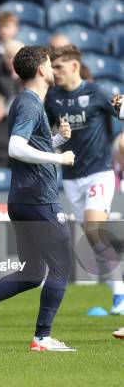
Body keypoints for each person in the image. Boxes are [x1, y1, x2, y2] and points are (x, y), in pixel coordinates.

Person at [0, 46, 77, 352]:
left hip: (24, 196)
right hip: (38, 198)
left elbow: (28, 147)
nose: (53, 69)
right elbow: (16, 148)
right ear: (40, 70)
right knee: (62, 266)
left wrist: (56, 141)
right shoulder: (30, 103)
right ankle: (42, 337)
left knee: (32, 273)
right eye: (49, 64)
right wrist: (58, 158)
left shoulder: (28, 103)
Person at [45, 45, 124, 315]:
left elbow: (121, 114)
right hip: (71, 176)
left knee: (92, 227)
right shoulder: (52, 98)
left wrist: (122, 107)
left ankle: (120, 297)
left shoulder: (97, 93)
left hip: (99, 172)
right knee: (94, 237)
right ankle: (119, 296)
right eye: (52, 67)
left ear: (75, 66)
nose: (54, 72)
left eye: (59, 67)